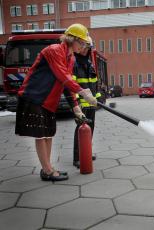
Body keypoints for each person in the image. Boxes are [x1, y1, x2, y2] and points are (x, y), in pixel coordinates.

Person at [15, 24, 97, 181]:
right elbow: (62, 76)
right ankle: (46, 171)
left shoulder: (71, 58)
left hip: (48, 101)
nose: (84, 46)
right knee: (41, 135)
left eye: (85, 44)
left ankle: (49, 168)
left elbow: (66, 84)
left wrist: (76, 107)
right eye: (82, 42)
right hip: (35, 97)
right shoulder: (54, 51)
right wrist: (83, 92)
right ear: (71, 39)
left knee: (49, 134)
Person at [72, 38, 102, 168]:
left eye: (87, 48)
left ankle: (86, 152)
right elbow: (72, 85)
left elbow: (95, 83)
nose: (84, 50)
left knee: (90, 129)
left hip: (91, 104)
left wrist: (99, 98)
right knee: (80, 129)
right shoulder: (74, 63)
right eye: (83, 47)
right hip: (81, 105)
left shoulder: (89, 64)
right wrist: (76, 103)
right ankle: (77, 158)